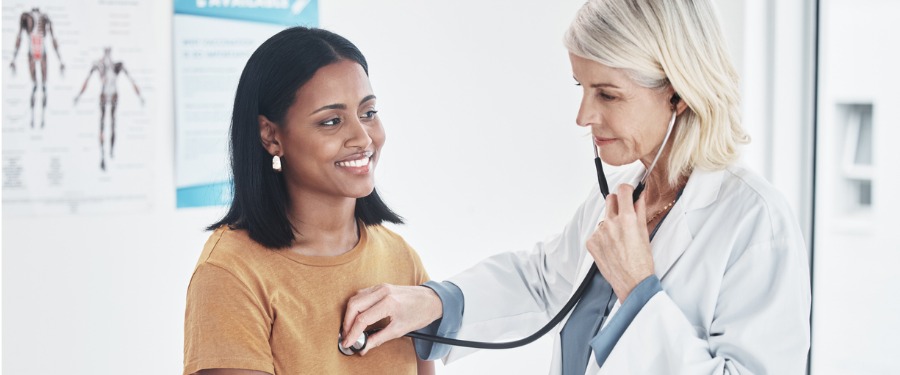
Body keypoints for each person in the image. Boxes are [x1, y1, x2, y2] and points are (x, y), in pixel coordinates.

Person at [340, 0, 811, 374]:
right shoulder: (626, 192)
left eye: (607, 94)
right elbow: (546, 283)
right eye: (580, 88)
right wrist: (431, 302)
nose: (583, 117)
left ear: (679, 92)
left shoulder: (754, 222)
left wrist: (638, 291)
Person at [183, 27, 435, 375]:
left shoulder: (400, 258)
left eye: (369, 113)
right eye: (332, 121)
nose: (362, 138)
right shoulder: (231, 273)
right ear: (271, 136)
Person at [74, 47, 145, 171]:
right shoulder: (98, 65)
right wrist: (79, 96)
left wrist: (140, 96)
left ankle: (111, 151)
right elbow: (87, 80)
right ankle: (103, 155)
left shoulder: (117, 66)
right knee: (102, 125)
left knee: (112, 124)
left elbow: (131, 80)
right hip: (104, 95)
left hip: (113, 95)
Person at [9, 7, 65, 129]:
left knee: (42, 86)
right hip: (33, 53)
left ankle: (41, 120)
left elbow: (52, 39)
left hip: (40, 53)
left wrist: (60, 60)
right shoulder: (26, 17)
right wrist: (13, 59)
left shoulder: (44, 18)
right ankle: (33, 120)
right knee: (36, 86)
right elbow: (19, 37)